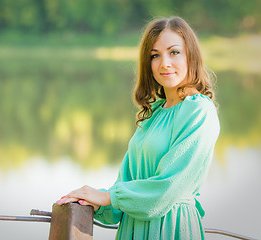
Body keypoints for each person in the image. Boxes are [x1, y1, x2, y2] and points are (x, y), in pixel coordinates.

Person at [56, 16, 220, 239]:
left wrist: (111, 197)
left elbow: (169, 188)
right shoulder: (154, 114)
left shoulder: (198, 111)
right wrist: (91, 199)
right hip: (133, 230)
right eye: (155, 55)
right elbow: (124, 188)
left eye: (174, 52)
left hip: (170, 229)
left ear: (190, 55)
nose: (165, 63)